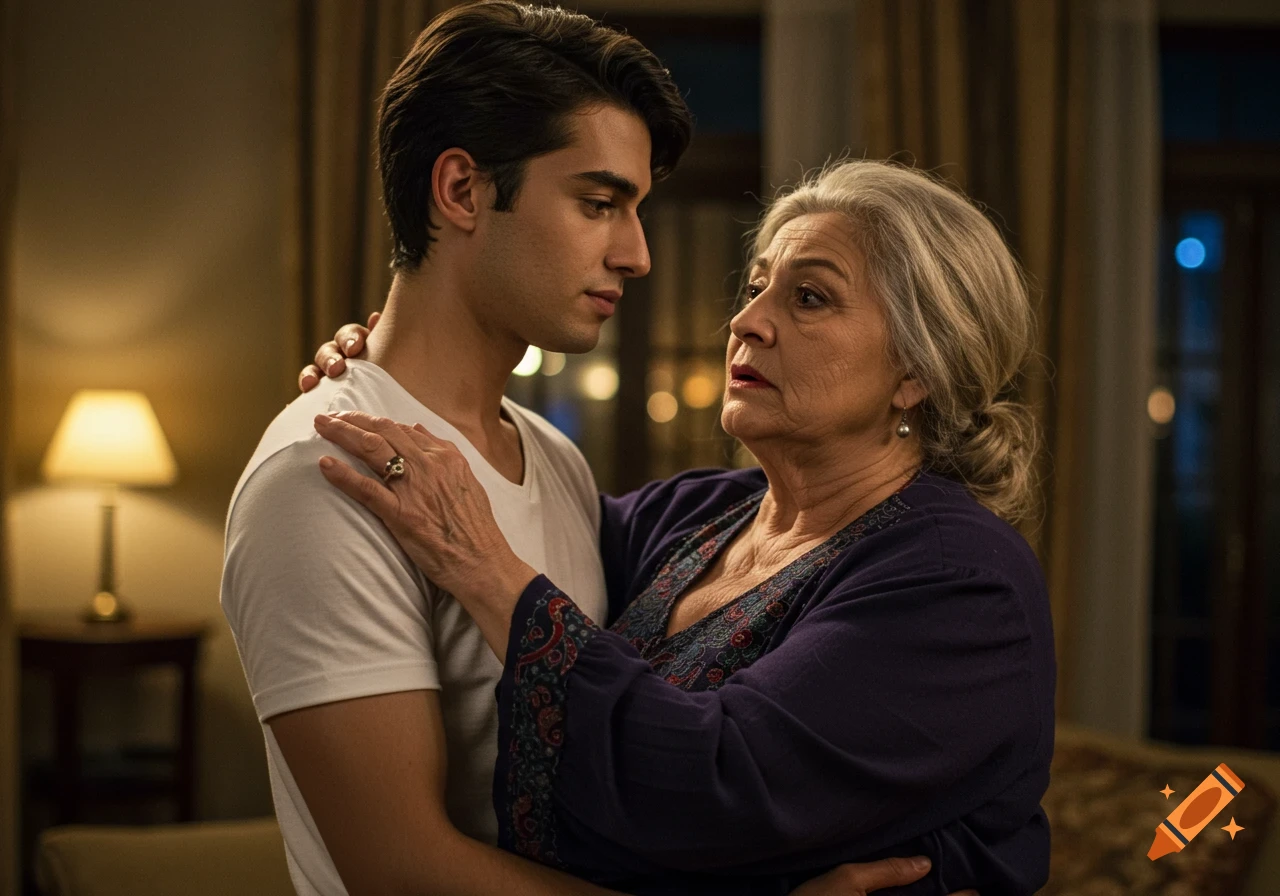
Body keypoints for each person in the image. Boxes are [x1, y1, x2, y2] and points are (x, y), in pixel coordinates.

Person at [224, 3, 954, 895]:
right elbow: (400, 870)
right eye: (598, 203)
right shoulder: (325, 475)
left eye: (636, 209)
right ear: (461, 191)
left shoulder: (552, 458)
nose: (638, 254)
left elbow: (663, 748)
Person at [306, 159, 1055, 895]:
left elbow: (716, 787)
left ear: (915, 372)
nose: (746, 321)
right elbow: (504, 507)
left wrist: (488, 574)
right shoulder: (697, 516)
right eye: (757, 286)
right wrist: (397, 371)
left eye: (810, 298)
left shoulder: (961, 578)